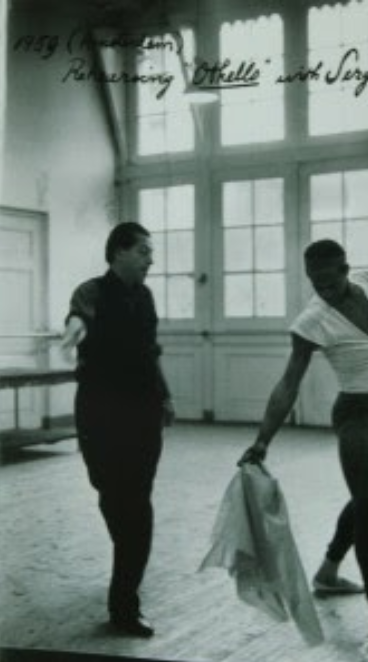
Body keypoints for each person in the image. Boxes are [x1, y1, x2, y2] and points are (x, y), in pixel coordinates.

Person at [238, 200, 368, 659]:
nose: (323, 290)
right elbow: (288, 383)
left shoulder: (366, 283)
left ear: (346, 269)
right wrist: (262, 441)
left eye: (330, 280)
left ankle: (327, 572)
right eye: (315, 283)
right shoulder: (311, 321)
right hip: (355, 415)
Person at [61, 222, 174, 637]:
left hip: (142, 409)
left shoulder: (145, 296)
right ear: (119, 252)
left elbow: (150, 350)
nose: (151, 259)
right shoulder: (91, 290)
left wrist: (165, 394)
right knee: (110, 494)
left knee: (137, 499)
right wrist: (72, 331)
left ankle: (124, 602)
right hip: (99, 410)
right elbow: (78, 317)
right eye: (144, 251)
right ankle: (128, 556)